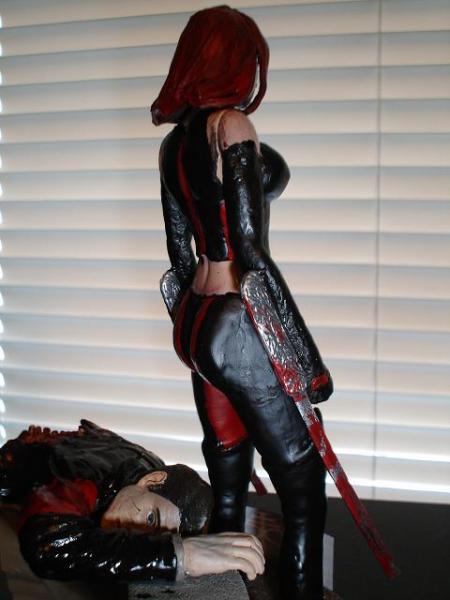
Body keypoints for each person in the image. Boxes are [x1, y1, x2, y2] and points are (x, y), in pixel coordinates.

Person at [151, 6, 333, 600]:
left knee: (227, 463)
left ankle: (222, 584)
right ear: (236, 62)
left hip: (198, 318)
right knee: (301, 478)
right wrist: (307, 361)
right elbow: (251, 250)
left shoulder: (174, 145)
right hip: (235, 316)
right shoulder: (231, 127)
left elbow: (180, 250)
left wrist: (197, 333)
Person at [0, 420, 264, 583]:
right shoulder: (85, 479)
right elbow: (50, 544)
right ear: (151, 480)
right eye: (151, 518)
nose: (138, 534)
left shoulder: (148, 473)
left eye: (153, 534)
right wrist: (179, 556)